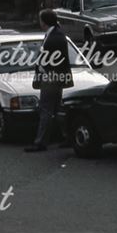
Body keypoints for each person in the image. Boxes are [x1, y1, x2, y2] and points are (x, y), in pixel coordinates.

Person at [25, 9, 74, 153]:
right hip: (53, 77)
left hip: (51, 78)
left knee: (45, 109)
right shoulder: (54, 34)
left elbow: (56, 60)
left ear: (44, 21)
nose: (39, 22)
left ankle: (40, 142)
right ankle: (68, 137)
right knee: (57, 108)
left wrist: (45, 70)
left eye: (40, 19)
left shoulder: (55, 37)